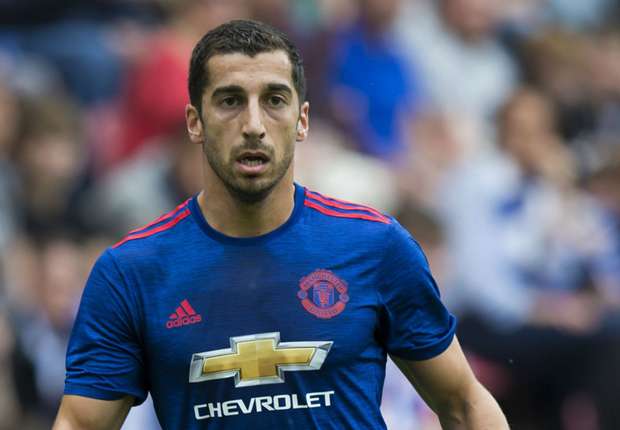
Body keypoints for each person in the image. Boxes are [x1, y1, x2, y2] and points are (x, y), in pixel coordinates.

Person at [52, 20, 507, 429]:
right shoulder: (131, 272)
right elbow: (80, 423)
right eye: (230, 101)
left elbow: (464, 404)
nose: (254, 124)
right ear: (195, 122)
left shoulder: (377, 247)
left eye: (274, 100)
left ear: (302, 120)